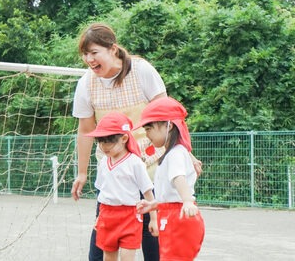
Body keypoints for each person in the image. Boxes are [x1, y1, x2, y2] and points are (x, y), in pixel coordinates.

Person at [70, 22, 167, 261]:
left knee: (154, 243)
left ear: (112, 49)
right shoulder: (86, 83)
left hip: (149, 169)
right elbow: (85, 130)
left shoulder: (141, 71)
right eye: (85, 54)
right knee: (101, 247)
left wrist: (184, 152)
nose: (89, 59)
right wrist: (82, 173)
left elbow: (167, 116)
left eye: (94, 52)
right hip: (113, 178)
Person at [137, 97, 205, 261]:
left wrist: (187, 200)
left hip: (179, 217)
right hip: (171, 214)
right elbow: (169, 190)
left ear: (169, 125)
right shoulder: (171, 153)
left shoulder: (176, 153)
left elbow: (178, 178)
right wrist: (155, 204)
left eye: (149, 128)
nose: (146, 134)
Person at [86, 111, 157, 261]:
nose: (104, 146)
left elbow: (148, 192)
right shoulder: (104, 162)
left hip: (129, 216)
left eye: (109, 141)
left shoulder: (135, 162)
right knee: (108, 257)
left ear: (124, 138)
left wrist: (153, 219)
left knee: (127, 257)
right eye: (100, 141)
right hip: (107, 215)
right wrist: (99, 217)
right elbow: (102, 192)